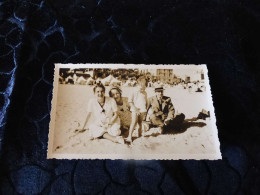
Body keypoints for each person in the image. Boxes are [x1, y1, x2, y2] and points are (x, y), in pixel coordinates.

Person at [125, 76, 148, 143]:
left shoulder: (145, 93)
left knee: (140, 123)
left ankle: (139, 135)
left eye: (144, 86)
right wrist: (135, 109)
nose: (143, 88)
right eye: (141, 86)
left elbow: (145, 101)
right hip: (135, 109)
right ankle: (129, 136)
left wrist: (145, 109)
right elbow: (130, 101)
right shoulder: (133, 91)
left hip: (142, 109)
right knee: (134, 122)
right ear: (138, 84)